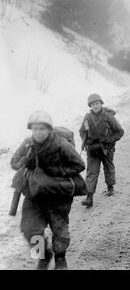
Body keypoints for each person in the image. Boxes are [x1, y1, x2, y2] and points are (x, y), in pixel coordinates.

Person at [10, 111, 85, 269]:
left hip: (57, 192)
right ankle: (43, 255)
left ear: (49, 129)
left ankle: (60, 258)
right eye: (35, 129)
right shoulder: (27, 144)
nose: (38, 132)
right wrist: (26, 160)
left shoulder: (61, 144)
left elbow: (79, 165)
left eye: (42, 129)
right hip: (34, 193)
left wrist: (54, 172)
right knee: (30, 228)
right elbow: (14, 162)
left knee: (59, 228)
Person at [80, 94, 124, 207]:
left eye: (97, 103)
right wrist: (86, 142)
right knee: (91, 172)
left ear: (101, 103)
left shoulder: (108, 116)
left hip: (106, 148)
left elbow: (119, 131)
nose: (95, 106)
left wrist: (108, 140)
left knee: (108, 167)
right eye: (93, 104)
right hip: (93, 149)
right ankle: (89, 197)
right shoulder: (87, 117)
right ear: (90, 105)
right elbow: (82, 131)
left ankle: (110, 187)